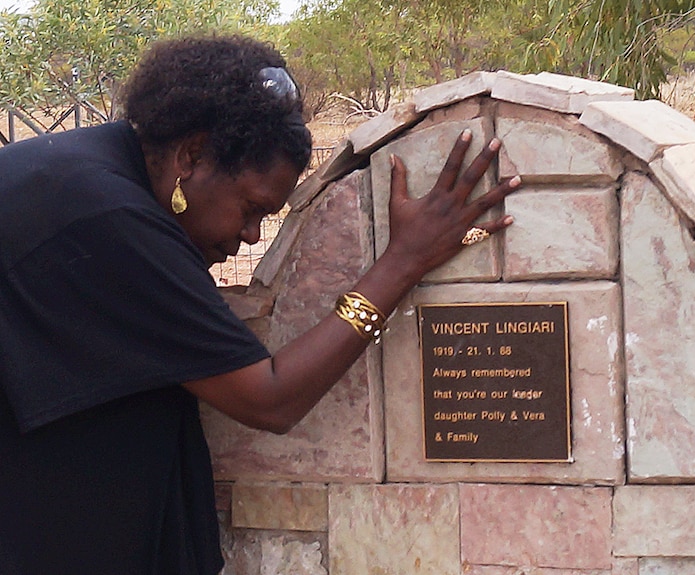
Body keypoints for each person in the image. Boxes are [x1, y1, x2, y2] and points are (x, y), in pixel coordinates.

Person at [0, 34, 520, 574]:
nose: (250, 235)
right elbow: (271, 398)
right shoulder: (110, 219)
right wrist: (403, 262)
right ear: (191, 156)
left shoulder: (82, 172)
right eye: (250, 208)